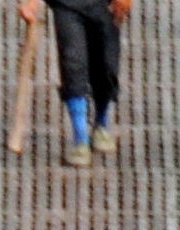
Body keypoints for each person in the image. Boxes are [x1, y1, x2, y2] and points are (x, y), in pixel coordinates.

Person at [21, 0, 127, 169]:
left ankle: (101, 123)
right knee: (72, 64)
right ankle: (80, 138)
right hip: (67, 5)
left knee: (107, 65)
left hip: (104, 5)